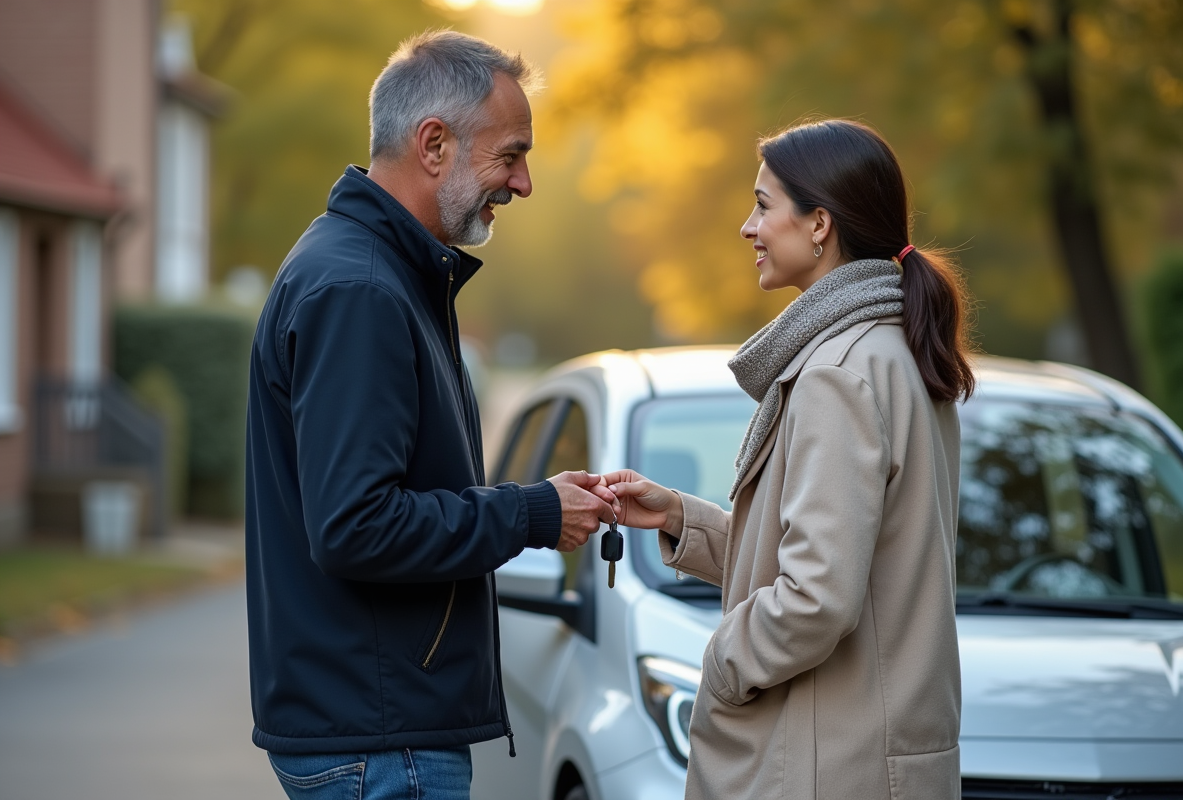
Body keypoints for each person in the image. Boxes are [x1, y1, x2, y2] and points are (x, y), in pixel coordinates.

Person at [244, 30, 616, 800]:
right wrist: (530, 514)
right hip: (383, 742)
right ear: (435, 144)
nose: (523, 184)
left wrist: (537, 504)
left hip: (376, 728)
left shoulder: (382, 275)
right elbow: (357, 525)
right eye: (511, 155)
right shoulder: (362, 291)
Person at [602, 119, 975, 800]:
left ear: (819, 226)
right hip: (868, 758)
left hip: (823, 764)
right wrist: (683, 517)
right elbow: (856, 563)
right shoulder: (897, 352)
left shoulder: (838, 372)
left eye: (764, 205)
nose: (748, 227)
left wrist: (721, 660)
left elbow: (816, 598)